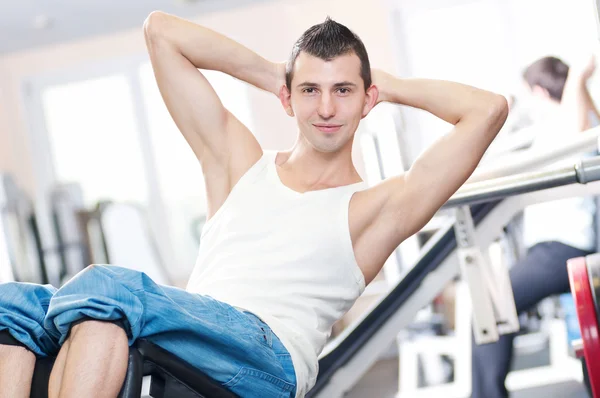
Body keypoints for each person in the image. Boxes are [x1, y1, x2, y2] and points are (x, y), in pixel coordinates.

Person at [0, 12, 508, 398]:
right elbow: (161, 32)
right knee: (15, 304)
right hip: (194, 336)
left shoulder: (376, 208)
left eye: (343, 91)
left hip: (268, 359)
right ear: (287, 98)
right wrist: (275, 75)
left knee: (106, 287)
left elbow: (486, 110)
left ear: (365, 99)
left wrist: (384, 85)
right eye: (310, 90)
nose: (326, 108)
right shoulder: (239, 164)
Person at [471, 55, 600, 398]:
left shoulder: (568, 123)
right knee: (495, 304)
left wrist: (577, 77)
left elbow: (580, 131)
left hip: (563, 250)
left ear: (540, 92)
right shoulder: (563, 122)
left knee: (492, 305)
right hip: (556, 250)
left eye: (529, 94)